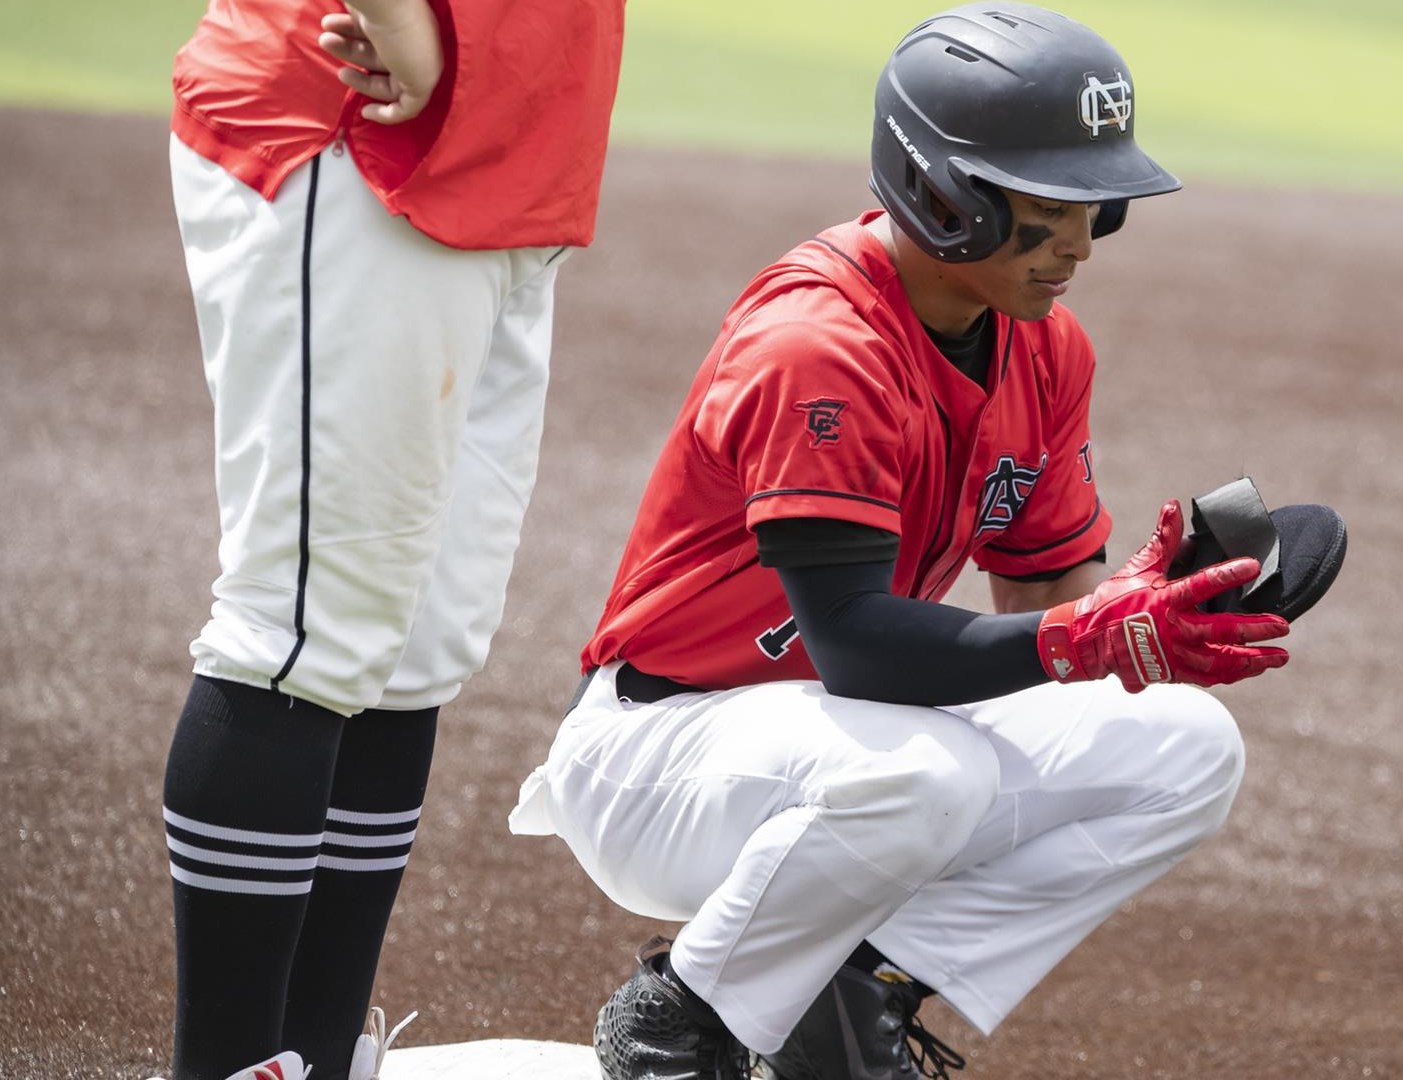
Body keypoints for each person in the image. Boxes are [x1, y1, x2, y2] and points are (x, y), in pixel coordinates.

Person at [507, 4, 1294, 1078]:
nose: (1078, 239)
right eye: (1047, 202)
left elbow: (1043, 603)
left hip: (837, 741)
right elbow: (861, 647)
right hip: (663, 754)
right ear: (942, 189)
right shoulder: (817, 346)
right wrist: (1081, 640)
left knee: (1183, 747)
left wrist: (1146, 611)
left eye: (1097, 206)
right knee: (933, 774)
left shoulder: (1043, 347)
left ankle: (851, 994)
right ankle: (678, 1026)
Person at [158, 0, 625, 1077]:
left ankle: (313, 1059)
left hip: (510, 154)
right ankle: (227, 1065)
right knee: (307, 630)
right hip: (357, 132)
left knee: (411, 647)